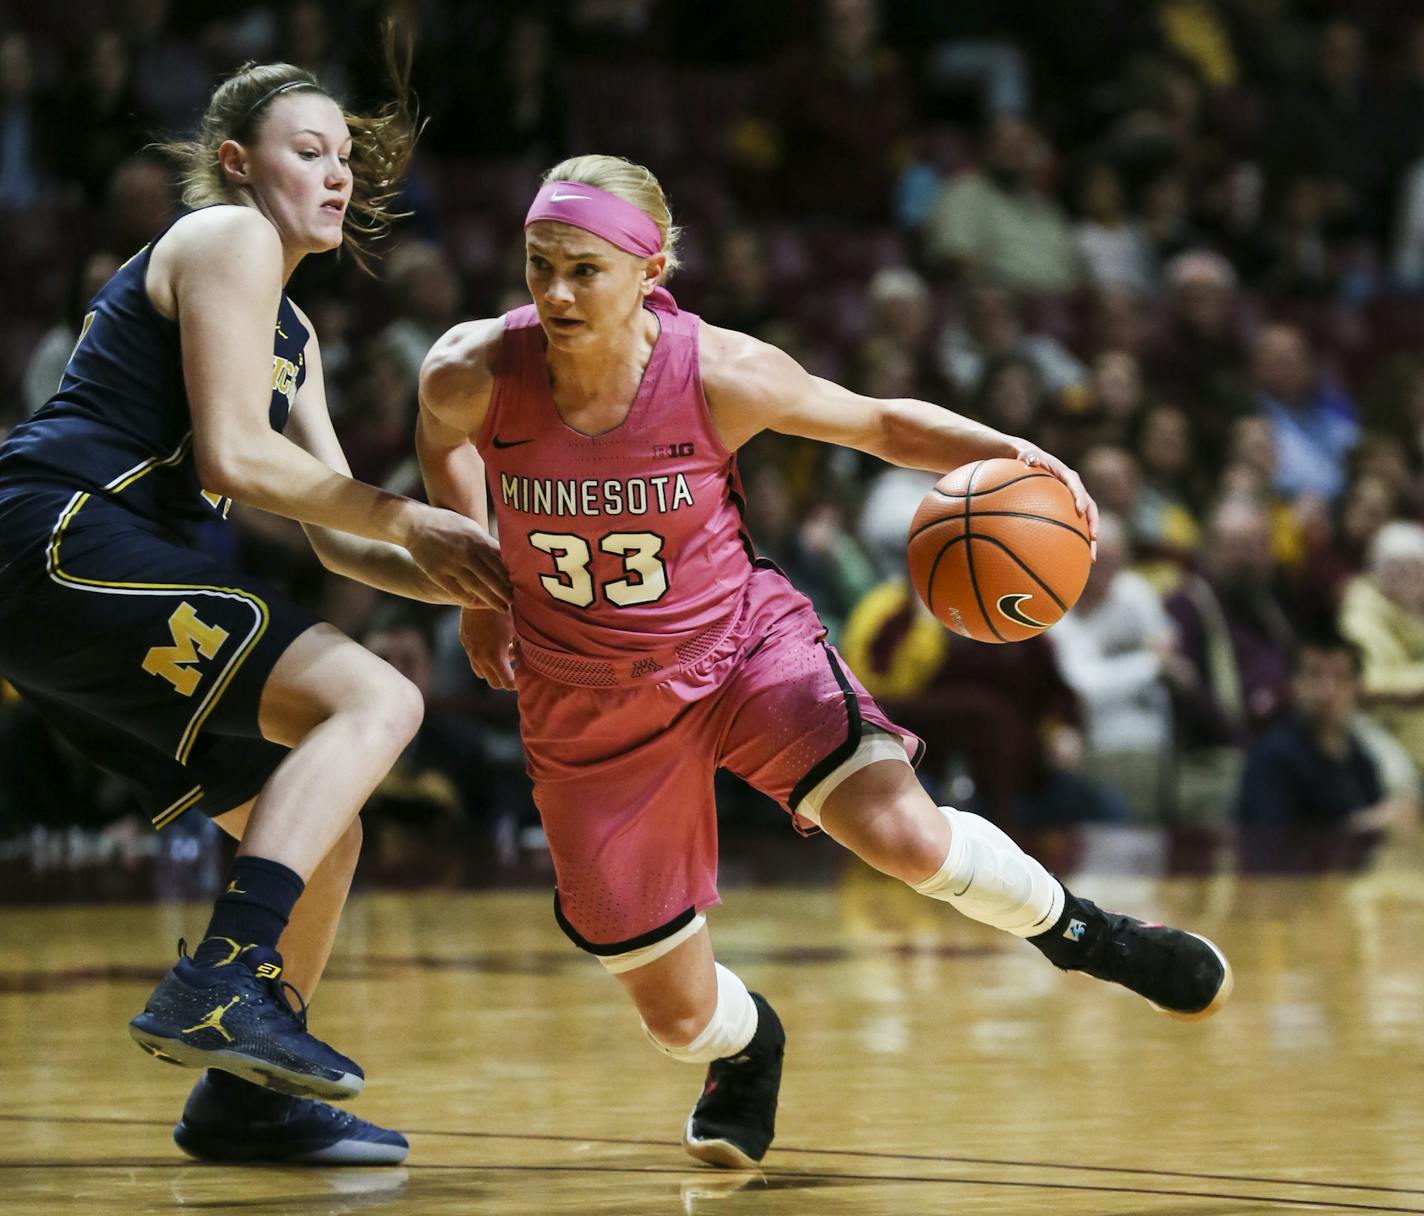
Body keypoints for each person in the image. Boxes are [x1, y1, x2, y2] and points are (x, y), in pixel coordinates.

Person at [417, 154, 1232, 1170]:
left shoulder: (721, 373)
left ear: (649, 267)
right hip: (582, 695)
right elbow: (441, 440)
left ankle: (1086, 934)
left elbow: (883, 423)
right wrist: (474, 567)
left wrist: (1020, 457)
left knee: (904, 837)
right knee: (675, 1020)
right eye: (540, 264)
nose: (555, 291)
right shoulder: (473, 369)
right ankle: (751, 1044)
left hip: (741, 649)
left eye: (584, 268)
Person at [0, 54, 509, 1165]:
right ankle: (226, 979)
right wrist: (408, 516)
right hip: (58, 528)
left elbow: (330, 532)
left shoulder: (296, 333)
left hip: (71, 576)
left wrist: (480, 584)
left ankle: (244, 1096)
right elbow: (237, 454)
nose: (337, 177)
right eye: (308, 151)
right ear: (236, 164)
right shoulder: (224, 236)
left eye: (345, 158)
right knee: (375, 695)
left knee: (327, 831)